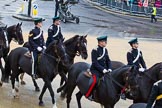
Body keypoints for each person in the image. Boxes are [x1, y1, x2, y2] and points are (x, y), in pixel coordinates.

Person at [85, 35, 112, 100]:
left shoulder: (105, 50)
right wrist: (102, 69)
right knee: (94, 81)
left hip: (105, 69)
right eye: (103, 41)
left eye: (105, 41)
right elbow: (95, 63)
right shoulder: (95, 50)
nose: (105, 42)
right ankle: (89, 95)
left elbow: (108, 60)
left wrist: (109, 68)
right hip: (95, 70)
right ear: (99, 42)